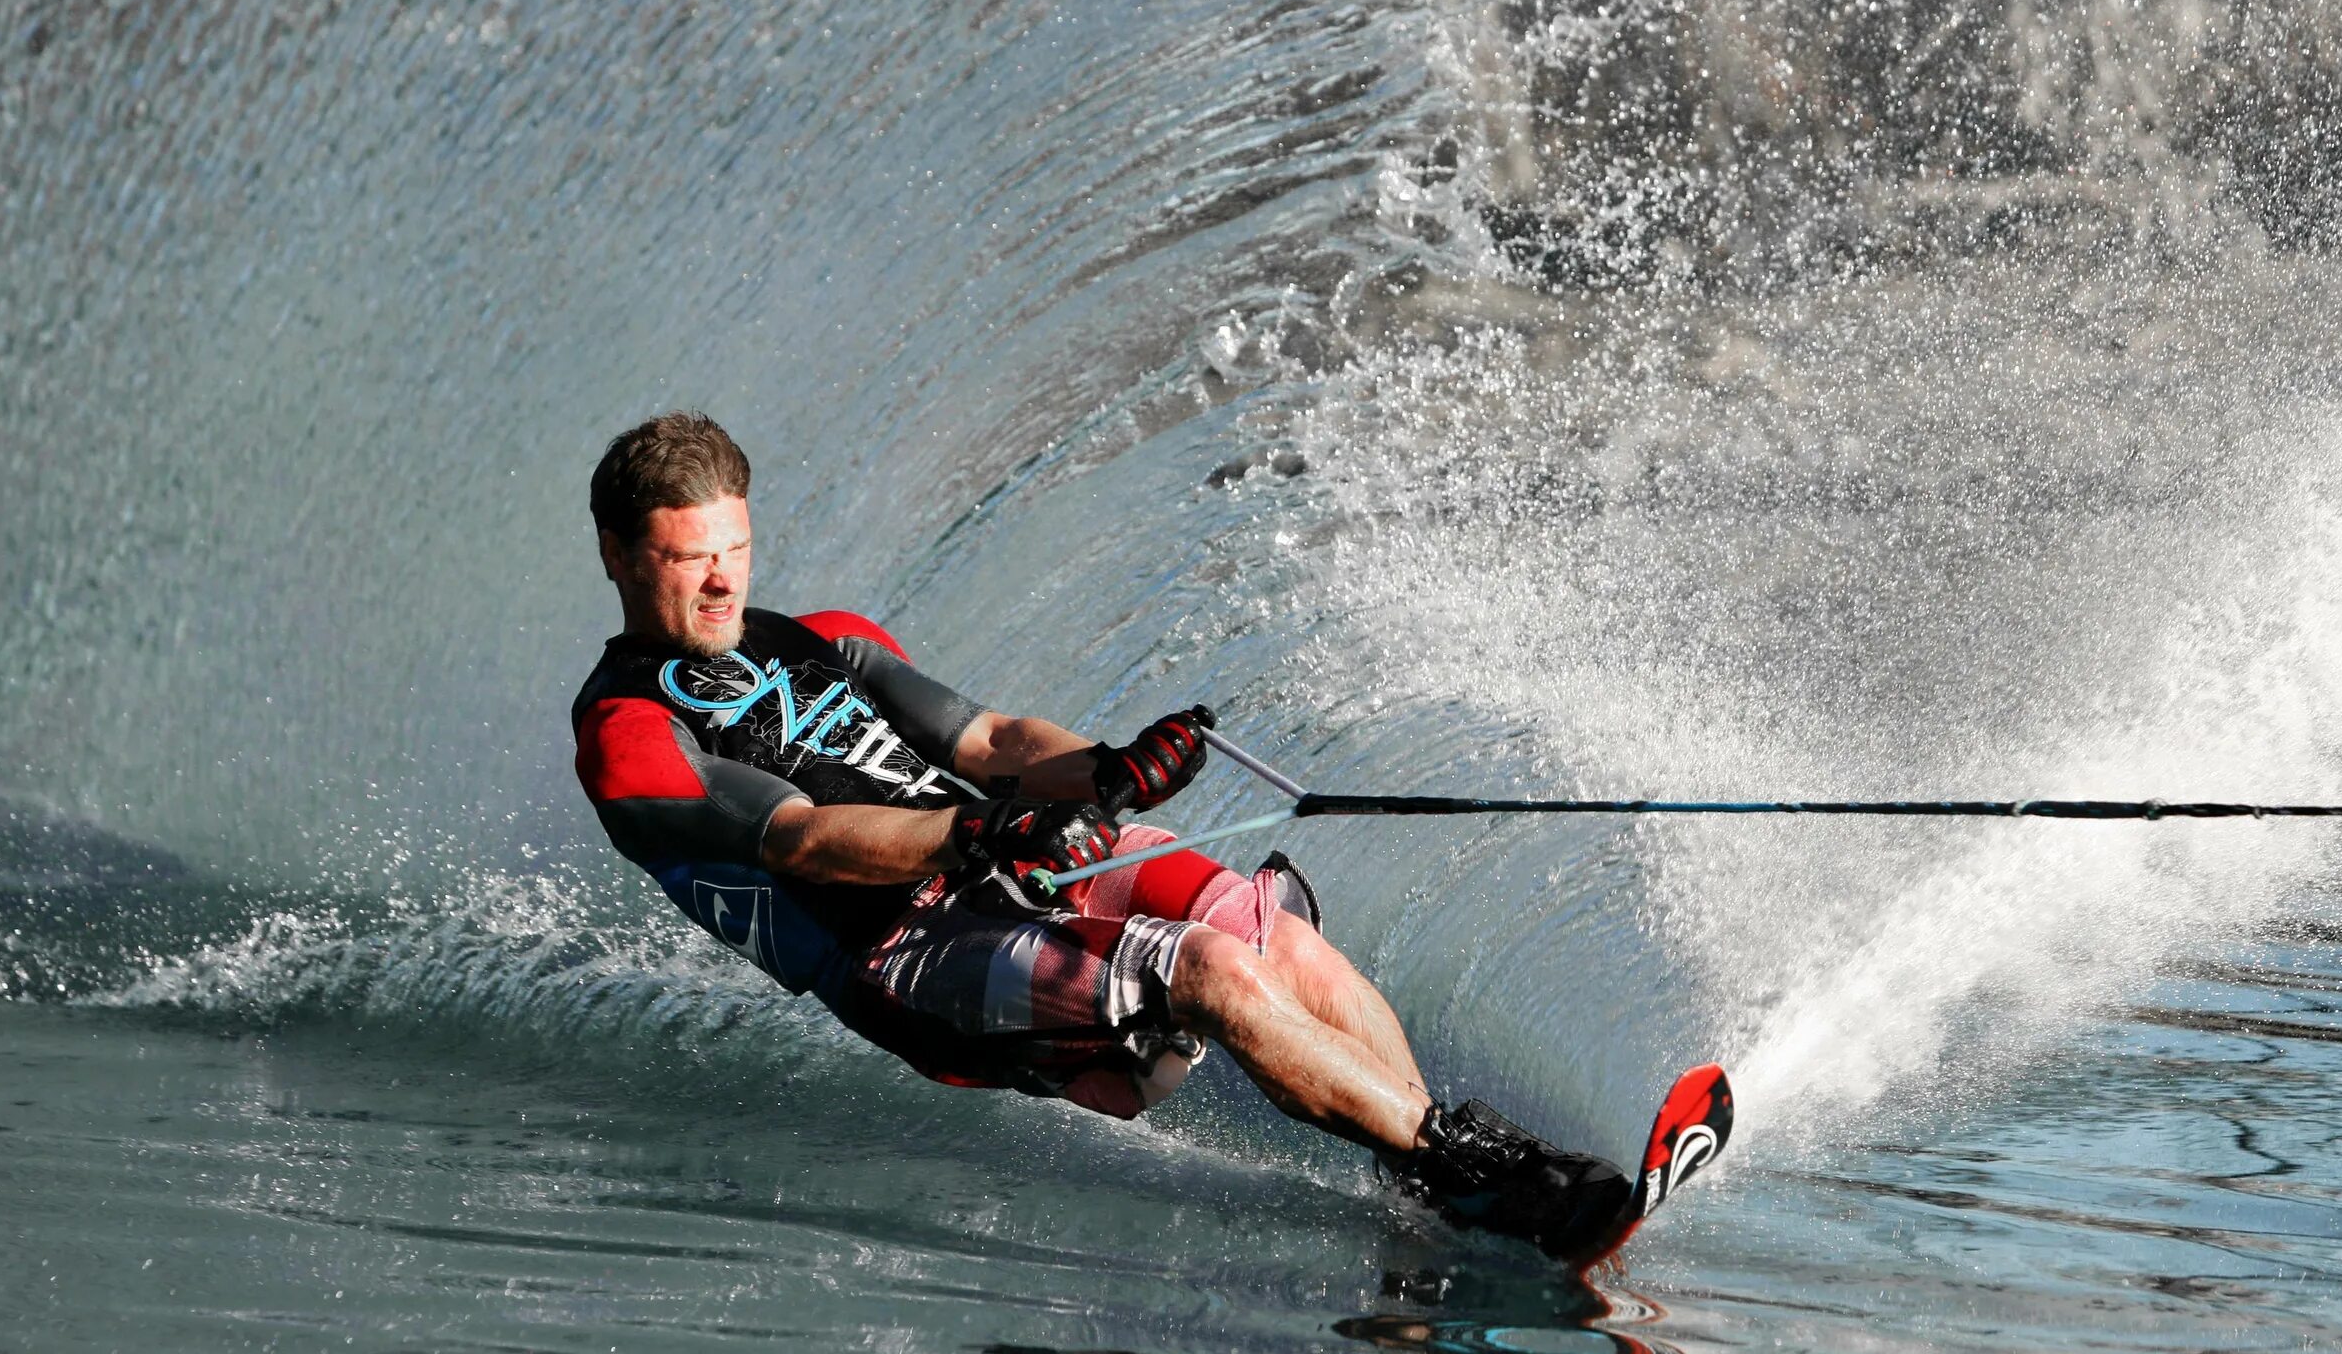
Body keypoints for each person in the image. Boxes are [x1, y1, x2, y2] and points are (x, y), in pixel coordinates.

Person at [569, 412, 1638, 1261]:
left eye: (736, 548)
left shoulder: (825, 640)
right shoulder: (626, 728)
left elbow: (987, 737)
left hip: (1008, 852)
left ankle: (1429, 1177)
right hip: (902, 947)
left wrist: (1110, 768)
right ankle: (1474, 1170)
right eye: (685, 557)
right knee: (1215, 970)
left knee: (1283, 945)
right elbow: (798, 839)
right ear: (618, 554)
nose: (723, 580)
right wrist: (976, 834)